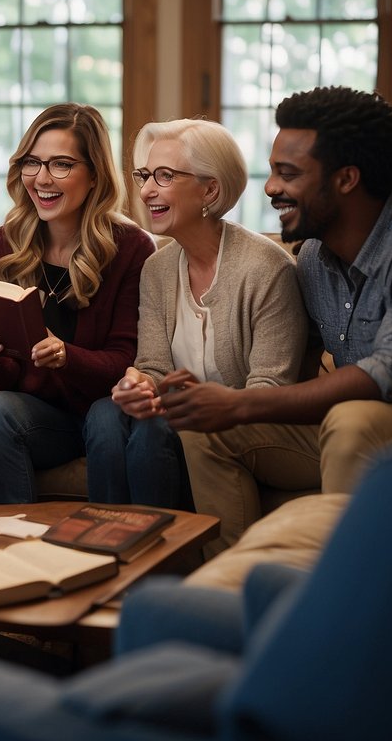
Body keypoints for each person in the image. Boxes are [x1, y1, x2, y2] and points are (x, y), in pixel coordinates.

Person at [161, 86, 392, 552]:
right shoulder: (313, 256)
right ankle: (235, 584)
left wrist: (240, 404)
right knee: (208, 431)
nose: (270, 187)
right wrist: (218, 402)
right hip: (348, 429)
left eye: (287, 174)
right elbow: (300, 359)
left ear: (346, 179)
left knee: (353, 420)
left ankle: (342, 603)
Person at [83, 118, 308, 510]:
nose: (147, 190)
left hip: (235, 427)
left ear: (211, 189)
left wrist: (190, 403)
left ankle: (156, 554)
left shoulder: (266, 268)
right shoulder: (157, 268)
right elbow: (151, 366)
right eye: (145, 175)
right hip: (175, 417)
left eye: (165, 176)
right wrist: (136, 384)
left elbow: (270, 387)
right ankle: (106, 543)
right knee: (108, 412)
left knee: (154, 430)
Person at [0, 103, 156, 503]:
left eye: (62, 165)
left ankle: (108, 543)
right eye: (32, 163)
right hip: (44, 418)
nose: (42, 179)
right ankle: (15, 545)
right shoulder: (8, 241)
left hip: (106, 409)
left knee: (106, 415)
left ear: (94, 175)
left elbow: (129, 358)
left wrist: (67, 355)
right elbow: (12, 373)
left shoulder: (131, 247)